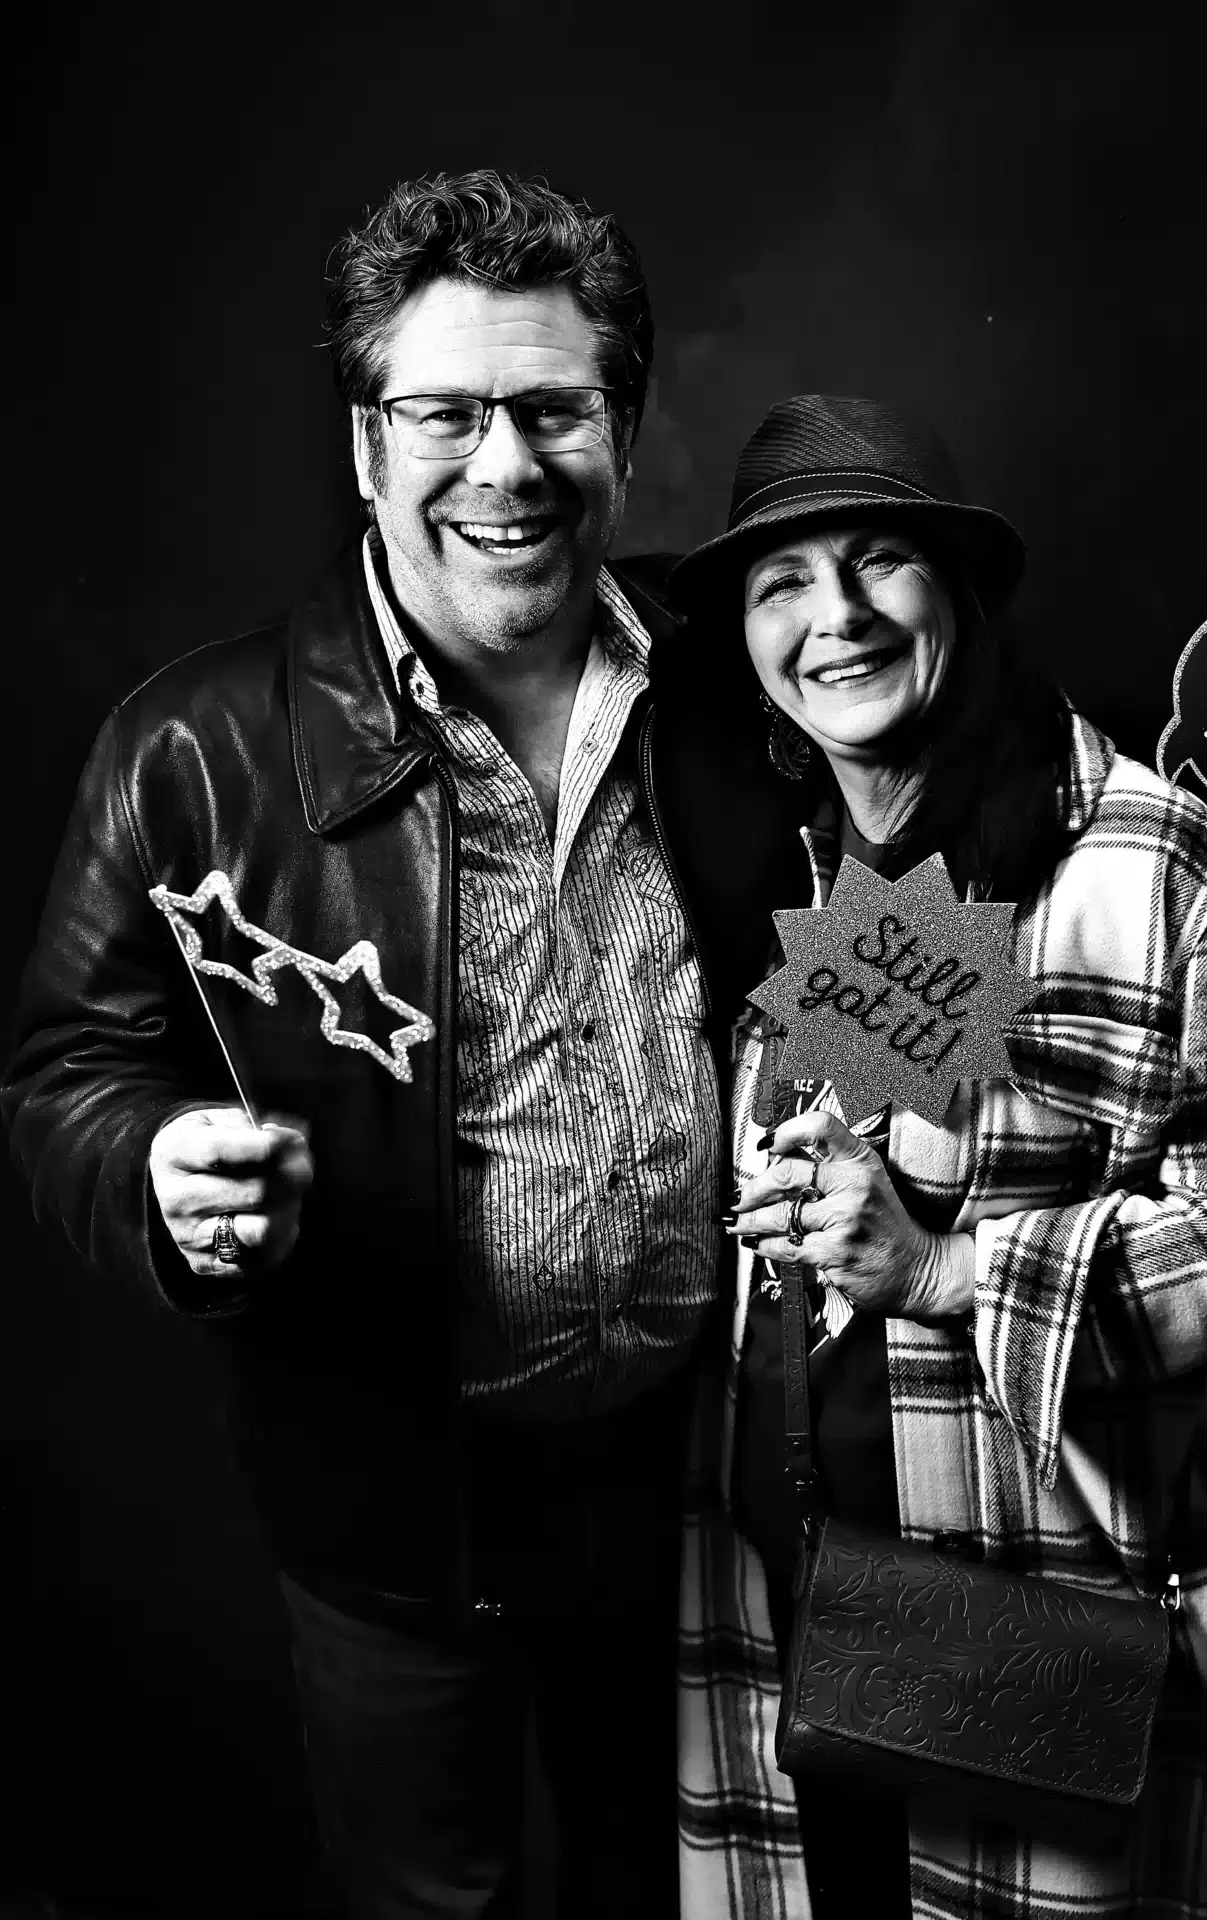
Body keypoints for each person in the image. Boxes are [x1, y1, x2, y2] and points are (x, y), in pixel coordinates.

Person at [2, 170, 799, 1919]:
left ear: (625, 428)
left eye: (551, 409)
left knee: (683, 1897)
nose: (503, 467)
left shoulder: (739, 690)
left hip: (699, 1489)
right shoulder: (189, 749)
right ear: (368, 444)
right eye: (443, 412)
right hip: (394, 1513)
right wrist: (152, 1171)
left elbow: (911, 826)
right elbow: (64, 1069)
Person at [668, 395, 1207, 1919]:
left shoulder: (1154, 865)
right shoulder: (868, 867)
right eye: (783, 584)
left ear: (964, 593)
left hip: (1029, 1649)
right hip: (798, 1627)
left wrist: (948, 1267)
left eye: (880, 562)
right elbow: (846, 1204)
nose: (838, 617)